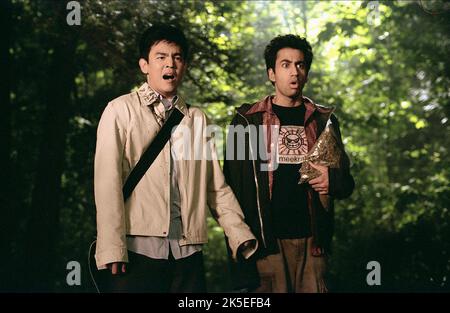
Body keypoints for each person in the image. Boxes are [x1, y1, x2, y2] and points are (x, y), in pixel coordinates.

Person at [94, 23, 257, 293]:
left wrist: (239, 234)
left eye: (177, 57)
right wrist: (111, 248)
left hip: (187, 254)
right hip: (137, 251)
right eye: (161, 57)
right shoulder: (119, 110)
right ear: (144, 65)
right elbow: (106, 183)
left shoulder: (197, 120)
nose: (170, 64)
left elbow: (215, 187)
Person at [223, 34, 354, 293]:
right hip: (266, 245)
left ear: (306, 72)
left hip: (313, 243)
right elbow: (229, 187)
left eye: (300, 64)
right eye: (285, 64)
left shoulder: (324, 121)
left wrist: (333, 180)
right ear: (271, 73)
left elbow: (346, 183)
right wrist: (241, 242)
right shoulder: (246, 121)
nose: (294, 71)